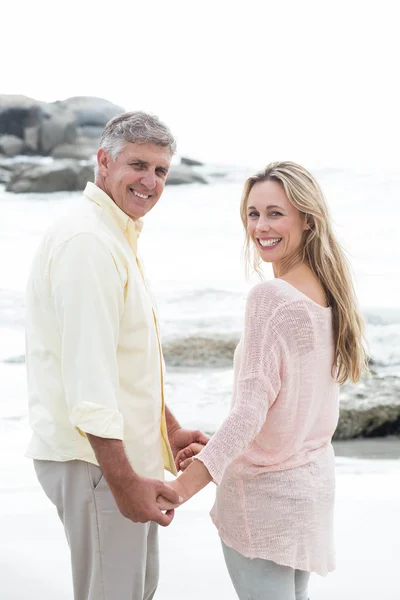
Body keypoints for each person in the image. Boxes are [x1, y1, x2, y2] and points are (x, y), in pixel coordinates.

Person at [159, 161, 368, 599]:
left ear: (307, 218)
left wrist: (181, 488)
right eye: (253, 214)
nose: (260, 226)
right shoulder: (329, 296)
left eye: (276, 213)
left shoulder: (271, 298)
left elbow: (251, 412)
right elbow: (285, 409)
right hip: (309, 491)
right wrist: (217, 450)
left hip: (266, 499)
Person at [25, 111, 208, 600]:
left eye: (161, 171)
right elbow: (89, 378)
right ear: (103, 162)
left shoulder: (114, 235)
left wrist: (167, 429)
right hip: (97, 463)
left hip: (116, 461)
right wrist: (121, 479)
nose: (150, 182)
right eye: (138, 165)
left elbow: (127, 360)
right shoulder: (88, 243)